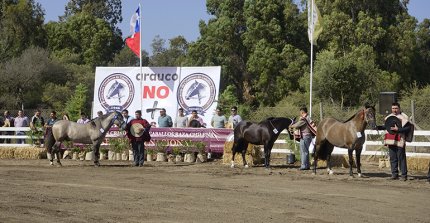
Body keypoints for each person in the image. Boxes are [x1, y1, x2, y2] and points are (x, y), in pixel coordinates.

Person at [384, 102, 412, 181]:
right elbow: (386, 126)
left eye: (396, 108)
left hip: (400, 139)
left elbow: (408, 128)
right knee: (393, 158)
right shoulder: (388, 117)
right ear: (391, 109)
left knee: (401, 158)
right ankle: (394, 174)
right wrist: (377, 127)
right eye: (393, 108)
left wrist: (398, 129)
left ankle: (404, 175)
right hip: (390, 140)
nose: (394, 110)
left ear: (399, 108)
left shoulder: (404, 117)